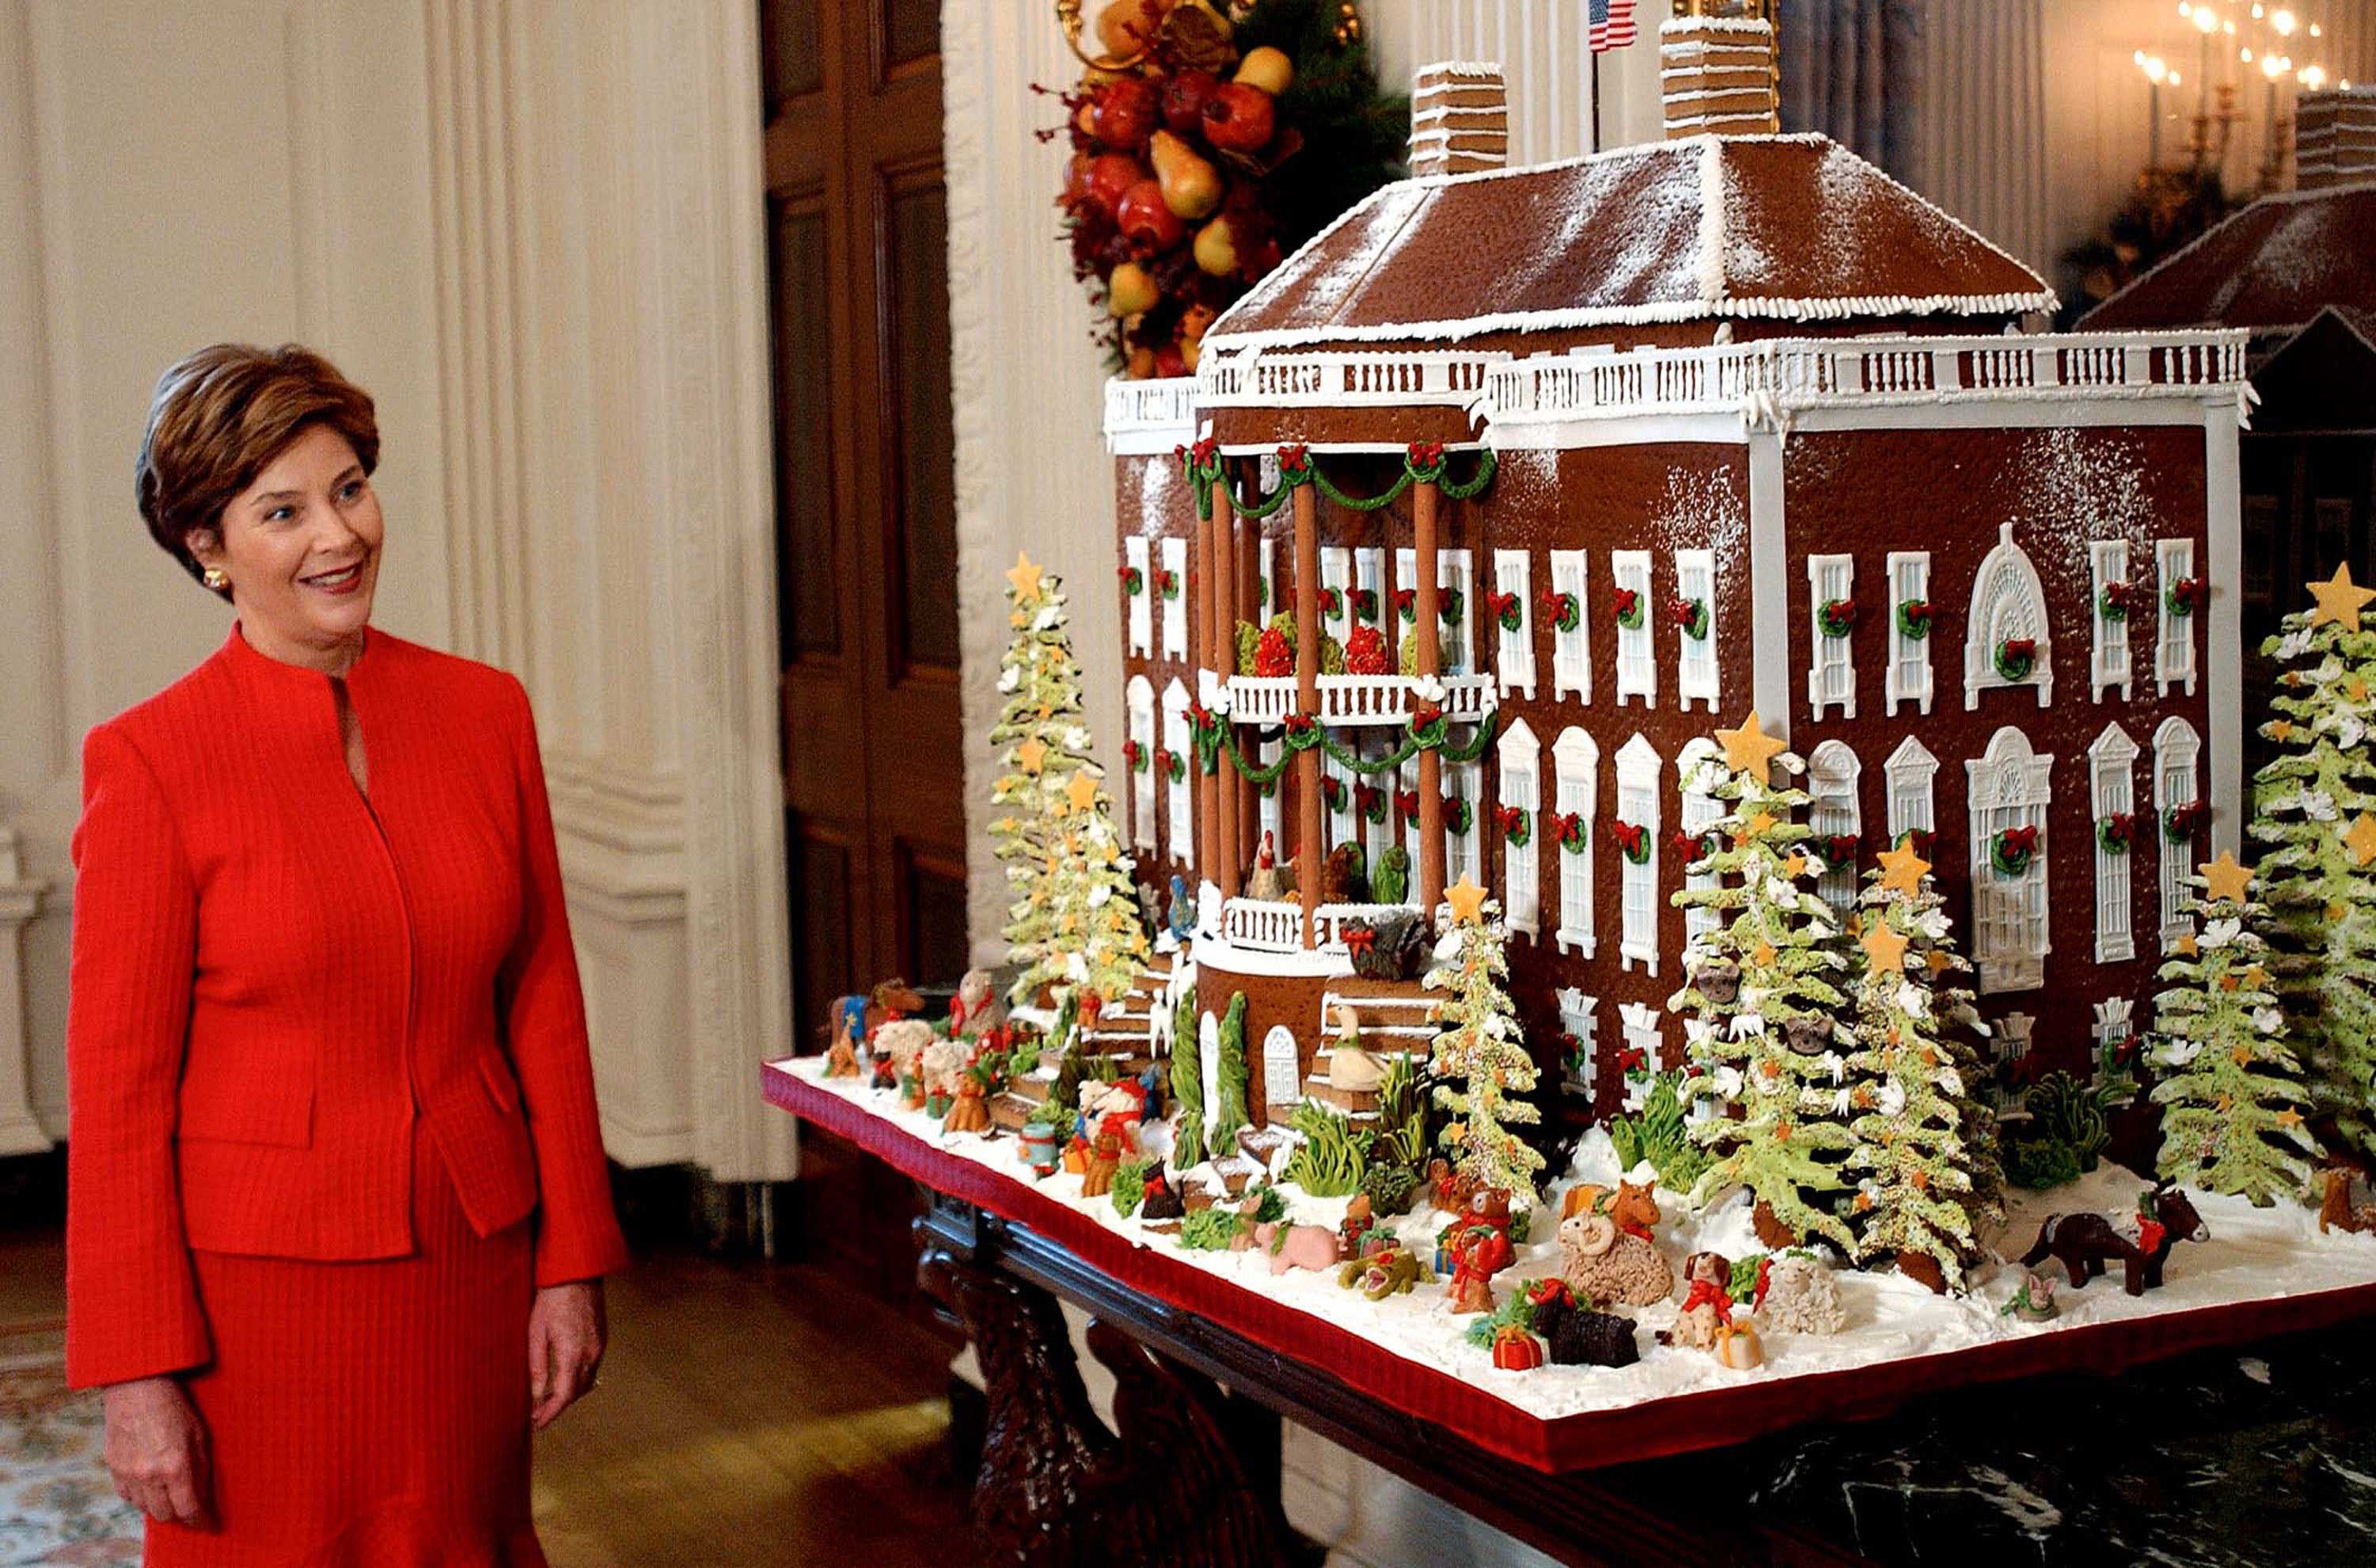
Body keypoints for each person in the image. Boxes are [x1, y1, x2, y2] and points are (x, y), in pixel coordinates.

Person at [67, 343, 630, 1563]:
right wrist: (136, 1373)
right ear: (207, 547)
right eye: (284, 510)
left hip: (468, 1269)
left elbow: (541, 1001)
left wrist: (571, 1261)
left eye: (351, 487)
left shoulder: (486, 714)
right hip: (256, 1305)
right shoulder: (150, 763)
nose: (340, 534)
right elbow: (117, 1100)